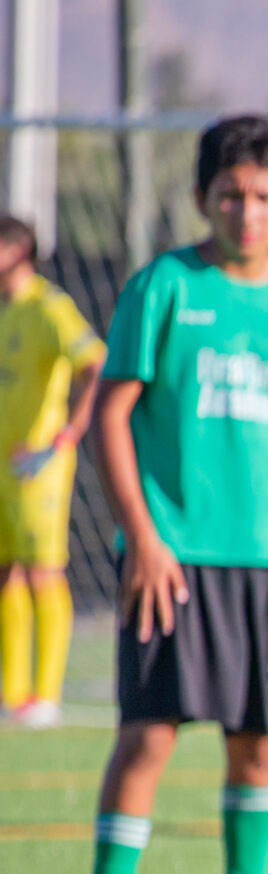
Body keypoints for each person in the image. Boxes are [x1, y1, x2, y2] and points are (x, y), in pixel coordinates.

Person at [72, 114, 268, 874]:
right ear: (201, 198)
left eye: (263, 196)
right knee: (150, 735)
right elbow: (112, 413)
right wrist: (143, 536)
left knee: (260, 744)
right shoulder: (164, 287)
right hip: (176, 555)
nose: (246, 211)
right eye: (230, 195)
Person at [0, 214, 105, 729]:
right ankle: (12, 693)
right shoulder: (4, 311)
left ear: (17, 252)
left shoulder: (50, 307)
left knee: (43, 571)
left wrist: (63, 438)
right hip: (1, 466)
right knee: (5, 573)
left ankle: (47, 695)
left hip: (37, 468)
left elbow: (96, 368)